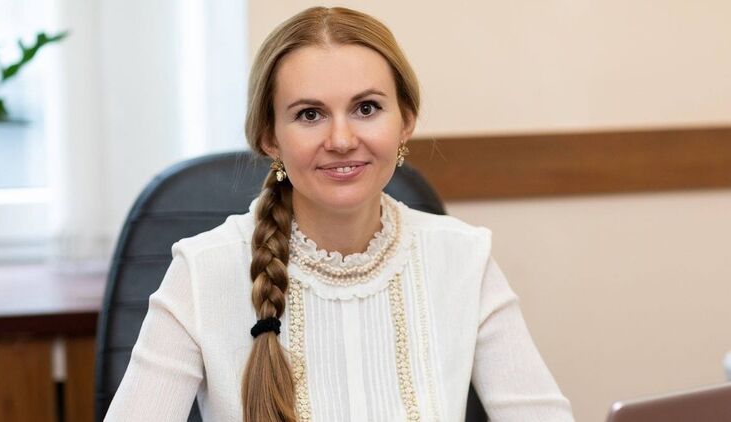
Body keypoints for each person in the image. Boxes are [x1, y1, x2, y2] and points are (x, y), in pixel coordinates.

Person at [105, 6, 575, 422]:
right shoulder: (201, 271)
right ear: (270, 137)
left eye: (366, 108)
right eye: (310, 114)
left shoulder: (464, 257)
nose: (342, 140)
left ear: (406, 120)